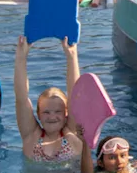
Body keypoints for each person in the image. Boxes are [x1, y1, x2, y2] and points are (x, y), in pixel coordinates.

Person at [13, 35, 85, 165]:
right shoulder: (31, 135)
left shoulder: (73, 133)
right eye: (46, 112)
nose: (52, 116)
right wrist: (21, 57)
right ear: (38, 114)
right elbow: (21, 98)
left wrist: (72, 56)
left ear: (66, 113)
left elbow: (75, 96)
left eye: (58, 111)